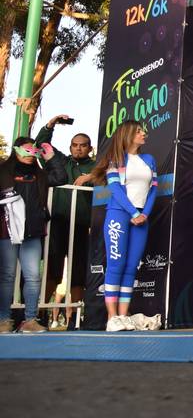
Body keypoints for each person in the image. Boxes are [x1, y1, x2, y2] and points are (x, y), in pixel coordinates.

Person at [90, 121, 158, 331]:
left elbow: (153, 190)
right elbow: (116, 190)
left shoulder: (149, 159)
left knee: (130, 268)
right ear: (127, 135)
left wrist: (144, 213)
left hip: (141, 219)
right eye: (138, 131)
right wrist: (134, 212)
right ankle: (112, 318)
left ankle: (123, 316)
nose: (143, 133)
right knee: (116, 265)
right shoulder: (116, 159)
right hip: (119, 215)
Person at [0, 137, 67, 333]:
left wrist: (51, 157)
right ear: (16, 150)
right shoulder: (3, 171)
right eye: (26, 150)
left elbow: (62, 178)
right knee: (6, 276)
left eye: (33, 150)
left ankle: (30, 320)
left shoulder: (40, 174)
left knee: (33, 276)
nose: (30, 153)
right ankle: (3, 320)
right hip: (7, 232)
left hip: (33, 232)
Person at [35, 114, 94, 330]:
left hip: (81, 226)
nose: (78, 149)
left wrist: (90, 177)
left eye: (83, 146)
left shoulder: (96, 167)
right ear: (70, 147)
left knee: (78, 272)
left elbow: (107, 175)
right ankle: (39, 313)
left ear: (90, 148)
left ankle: (74, 319)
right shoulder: (60, 162)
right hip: (58, 224)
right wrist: (50, 125)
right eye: (75, 145)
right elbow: (41, 146)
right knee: (52, 269)